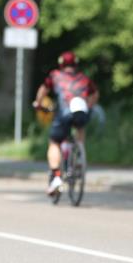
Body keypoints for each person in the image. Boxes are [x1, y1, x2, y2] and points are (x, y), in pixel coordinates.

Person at [32, 51, 99, 195]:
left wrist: (38, 103)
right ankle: (79, 156)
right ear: (76, 64)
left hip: (64, 111)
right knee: (80, 126)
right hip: (82, 111)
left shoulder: (55, 75)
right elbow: (95, 94)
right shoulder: (84, 78)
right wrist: (89, 105)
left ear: (61, 63)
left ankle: (56, 178)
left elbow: (44, 89)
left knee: (54, 142)